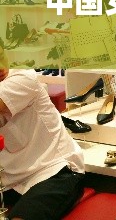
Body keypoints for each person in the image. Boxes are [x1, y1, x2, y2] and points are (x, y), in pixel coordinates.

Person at [0, 43, 85, 220]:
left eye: (1, 56)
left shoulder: (23, 77)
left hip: (54, 171)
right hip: (10, 181)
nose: (1, 67)